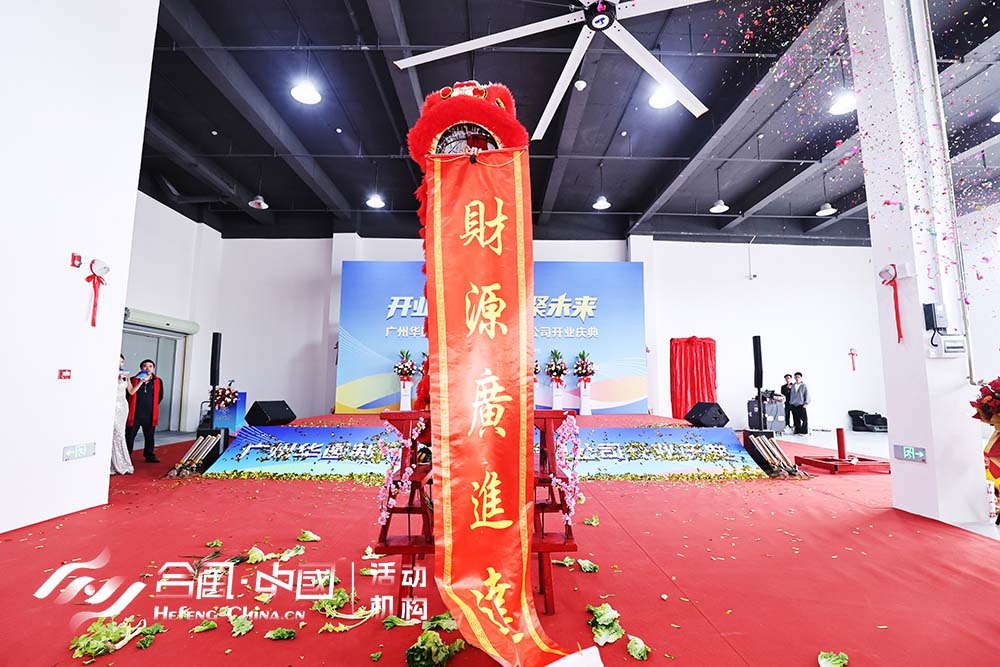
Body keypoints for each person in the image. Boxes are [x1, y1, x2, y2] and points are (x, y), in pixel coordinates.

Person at [126, 359, 164, 463]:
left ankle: (149, 455)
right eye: (145, 366)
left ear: (153, 368)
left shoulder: (158, 381)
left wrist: (152, 405)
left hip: (150, 414)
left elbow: (160, 396)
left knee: (149, 436)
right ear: (141, 368)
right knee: (129, 436)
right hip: (135, 413)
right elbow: (128, 395)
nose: (148, 368)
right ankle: (127, 455)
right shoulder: (133, 379)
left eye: (150, 366)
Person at [111, 355, 138, 475]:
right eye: (118, 361)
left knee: (120, 433)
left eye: (122, 362)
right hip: (112, 406)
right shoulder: (107, 373)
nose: (120, 364)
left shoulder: (126, 374)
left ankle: (123, 462)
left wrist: (141, 382)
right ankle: (112, 463)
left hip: (123, 406)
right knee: (114, 433)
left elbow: (131, 391)